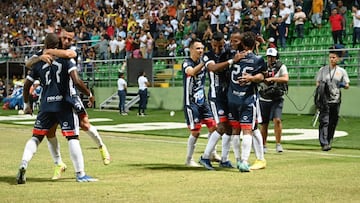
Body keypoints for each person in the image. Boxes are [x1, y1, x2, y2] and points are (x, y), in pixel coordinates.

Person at [25, 26, 111, 179]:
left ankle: (101, 146)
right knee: (50, 132)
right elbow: (28, 63)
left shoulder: (69, 53)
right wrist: (40, 57)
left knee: (84, 124)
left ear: (73, 40)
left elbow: (69, 54)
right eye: (64, 38)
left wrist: (47, 52)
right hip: (52, 99)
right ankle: (58, 163)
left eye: (69, 39)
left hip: (71, 96)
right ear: (60, 37)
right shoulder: (48, 51)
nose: (66, 41)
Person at [202, 32, 243, 168]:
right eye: (215, 46)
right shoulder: (208, 55)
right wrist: (232, 61)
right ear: (211, 43)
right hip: (216, 96)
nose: (217, 49)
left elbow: (241, 53)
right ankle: (205, 157)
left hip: (228, 95)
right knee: (221, 126)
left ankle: (224, 159)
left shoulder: (228, 52)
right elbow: (212, 68)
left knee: (230, 128)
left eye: (220, 46)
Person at [227, 31, 266, 172]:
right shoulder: (258, 59)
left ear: (242, 43)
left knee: (236, 130)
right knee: (249, 130)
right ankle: (245, 161)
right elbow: (263, 76)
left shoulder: (233, 57)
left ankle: (238, 160)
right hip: (248, 99)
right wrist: (252, 78)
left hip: (232, 97)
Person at [182, 38, 221, 170]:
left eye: (202, 48)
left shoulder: (203, 62)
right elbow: (191, 72)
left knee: (213, 127)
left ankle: (212, 154)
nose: (201, 51)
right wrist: (203, 63)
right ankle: (188, 159)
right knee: (196, 132)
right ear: (191, 49)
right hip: (191, 102)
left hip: (202, 101)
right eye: (198, 48)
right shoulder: (186, 63)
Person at [315, 47, 350, 151]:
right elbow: (317, 82)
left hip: (336, 99)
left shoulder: (341, 71)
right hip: (325, 100)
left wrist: (343, 85)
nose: (332, 59)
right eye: (330, 57)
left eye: (334, 57)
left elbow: (348, 85)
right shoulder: (323, 70)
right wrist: (321, 88)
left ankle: (329, 140)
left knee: (333, 121)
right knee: (324, 121)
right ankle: (324, 143)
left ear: (338, 59)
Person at [259, 48, 289, 153]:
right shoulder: (262, 66)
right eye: (268, 56)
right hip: (264, 97)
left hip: (277, 97)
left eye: (272, 57)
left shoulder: (281, 66)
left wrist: (273, 79)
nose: (270, 59)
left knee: (277, 120)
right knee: (264, 123)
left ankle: (278, 144)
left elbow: (285, 78)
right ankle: (263, 145)